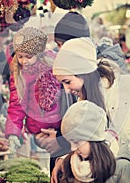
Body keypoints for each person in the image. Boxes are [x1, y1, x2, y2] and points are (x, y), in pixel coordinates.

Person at [52, 37, 130, 174]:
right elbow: (83, 144)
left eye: (67, 82)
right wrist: (63, 161)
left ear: (84, 73)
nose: (66, 90)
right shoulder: (84, 105)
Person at [34, 11, 91, 173]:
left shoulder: (91, 74)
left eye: (61, 44)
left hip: (79, 160)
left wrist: (61, 140)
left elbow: (92, 127)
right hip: (63, 152)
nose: (59, 50)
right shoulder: (65, 67)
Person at [5, 27, 64, 156]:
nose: (24, 61)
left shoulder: (54, 66)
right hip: (38, 129)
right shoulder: (19, 74)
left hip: (61, 128)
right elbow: (16, 105)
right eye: (20, 56)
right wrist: (13, 133)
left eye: (28, 56)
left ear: (39, 54)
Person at [58, 100, 130, 183]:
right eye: (69, 142)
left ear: (94, 138)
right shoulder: (69, 166)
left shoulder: (124, 170)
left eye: (76, 142)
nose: (72, 148)